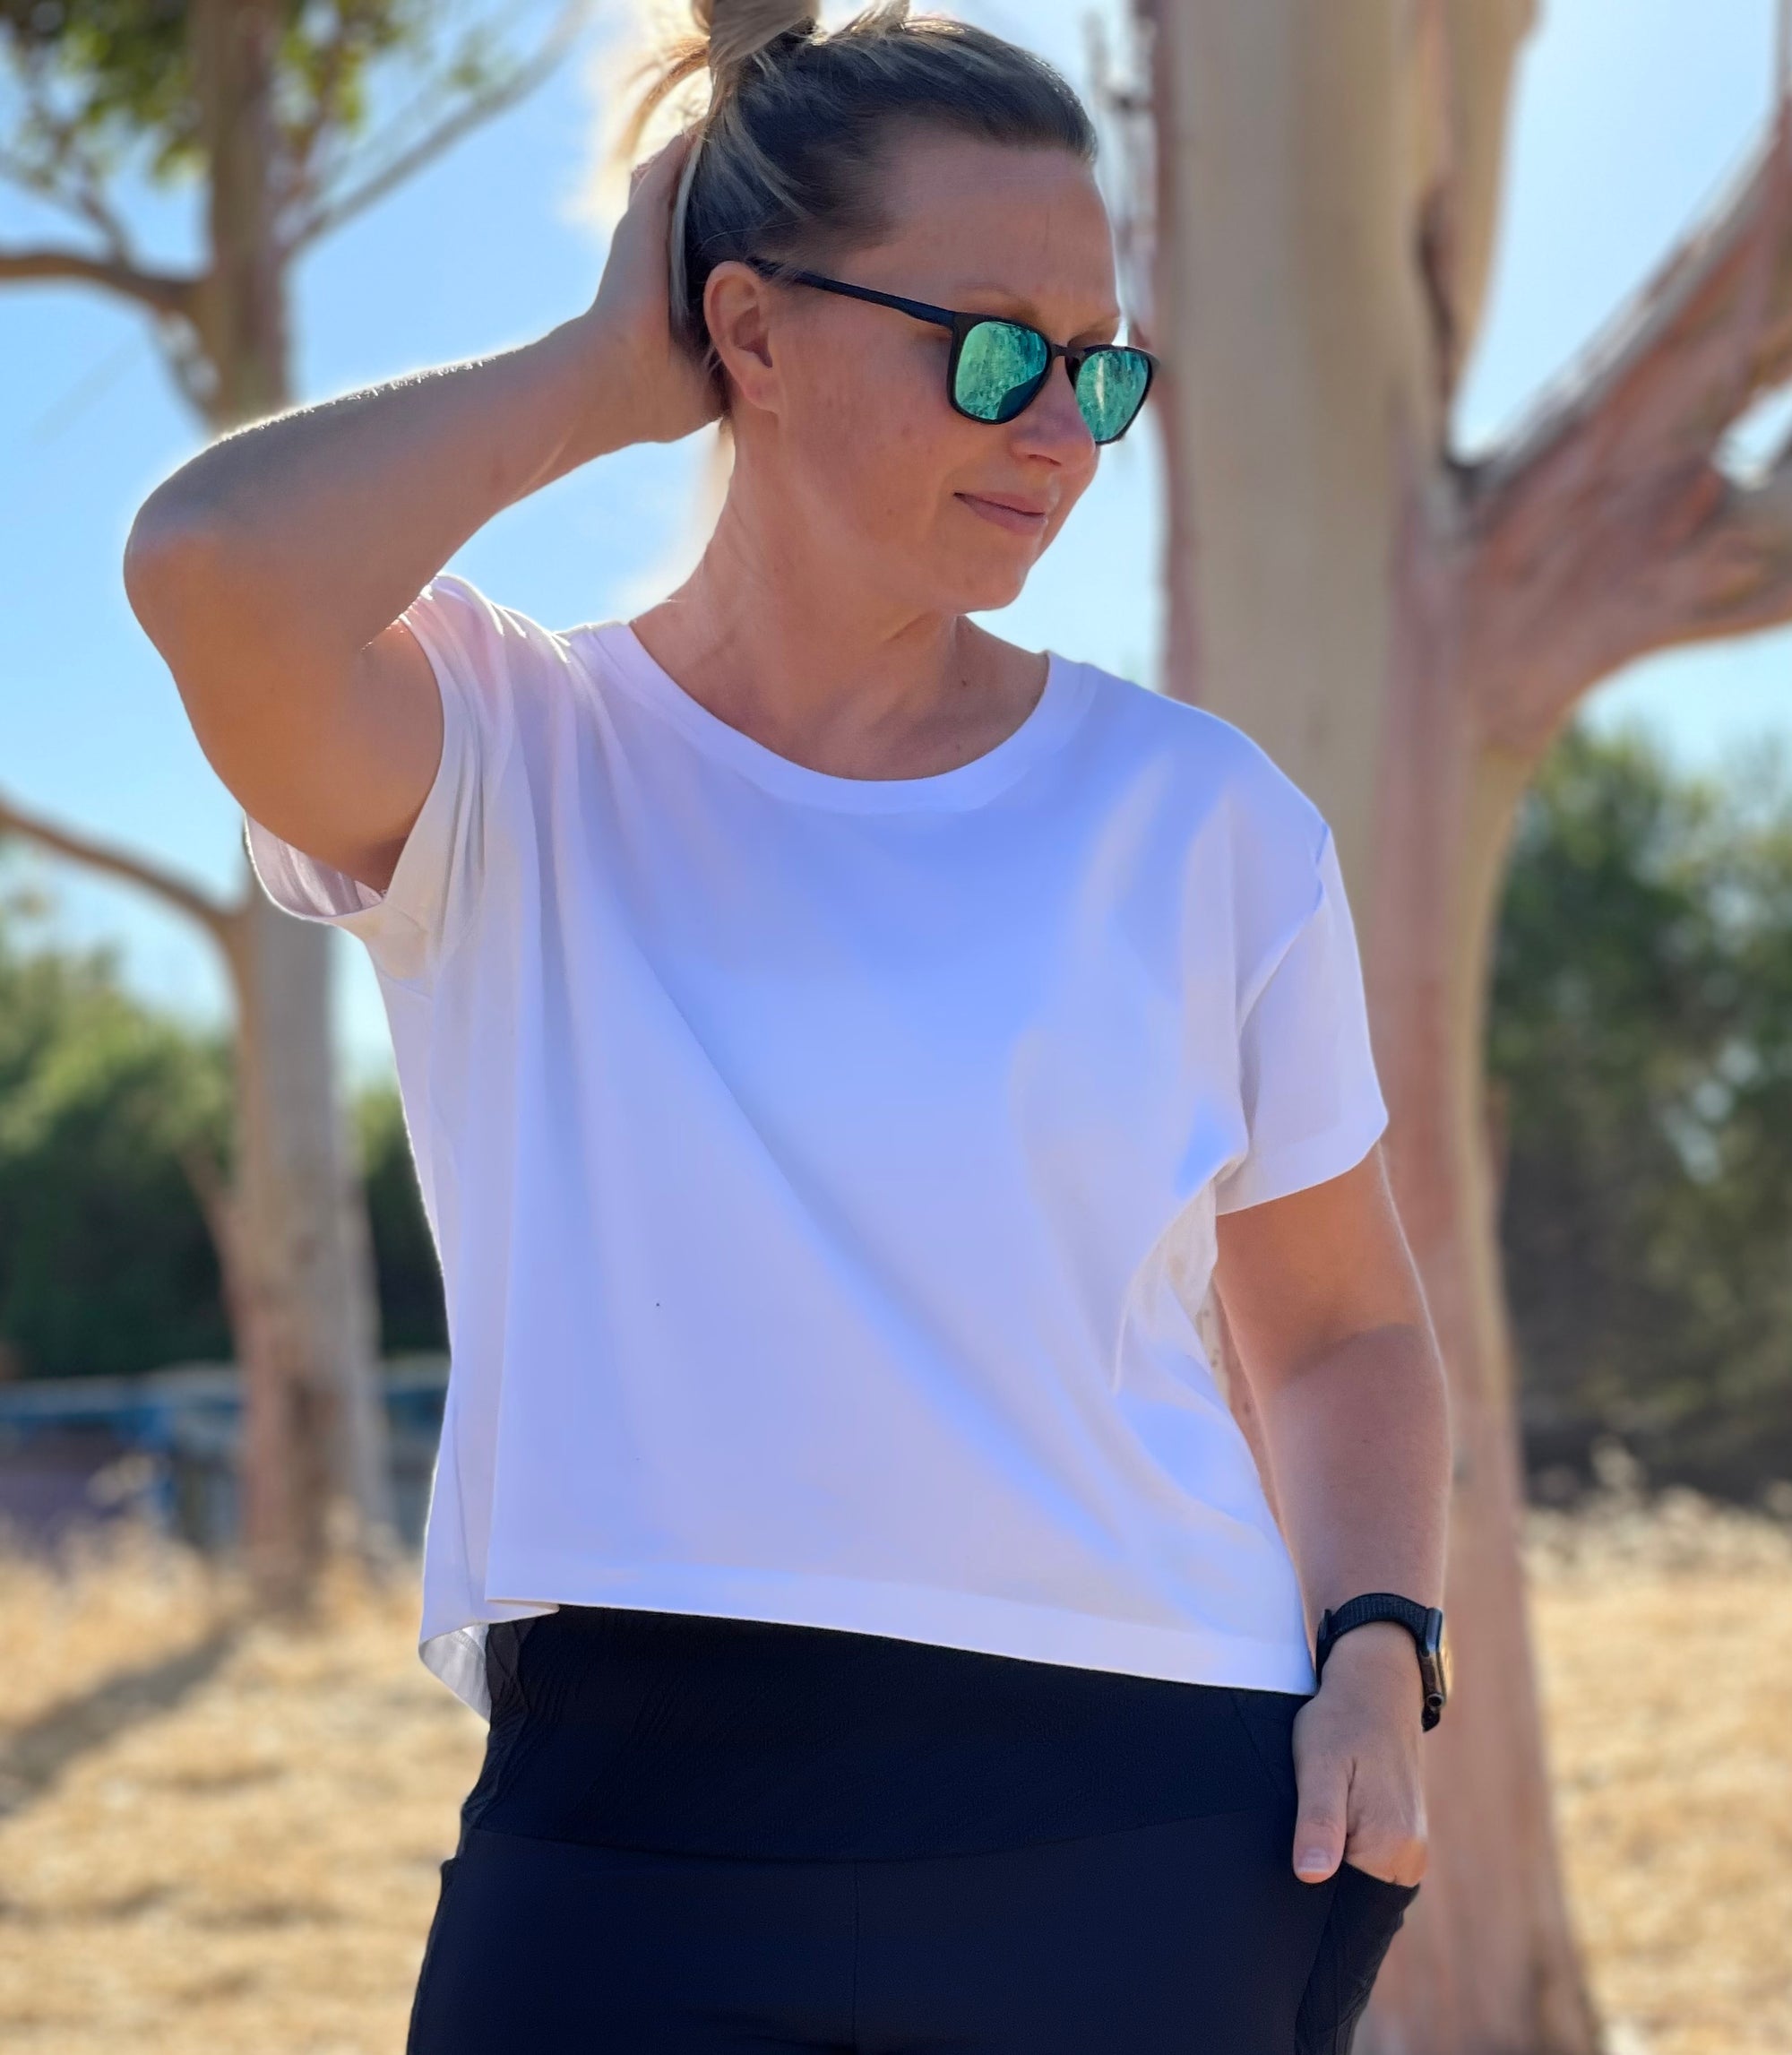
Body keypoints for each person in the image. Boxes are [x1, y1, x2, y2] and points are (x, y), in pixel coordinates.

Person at [123, 4, 1452, 2049]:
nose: (1061, 430)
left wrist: (1376, 1648)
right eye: (990, 350)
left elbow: (1344, 1327)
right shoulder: (504, 755)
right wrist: (598, 375)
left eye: (1100, 365)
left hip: (1154, 1816)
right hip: (630, 1819)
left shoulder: (1201, 821)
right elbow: (214, 565)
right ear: (746, 331)